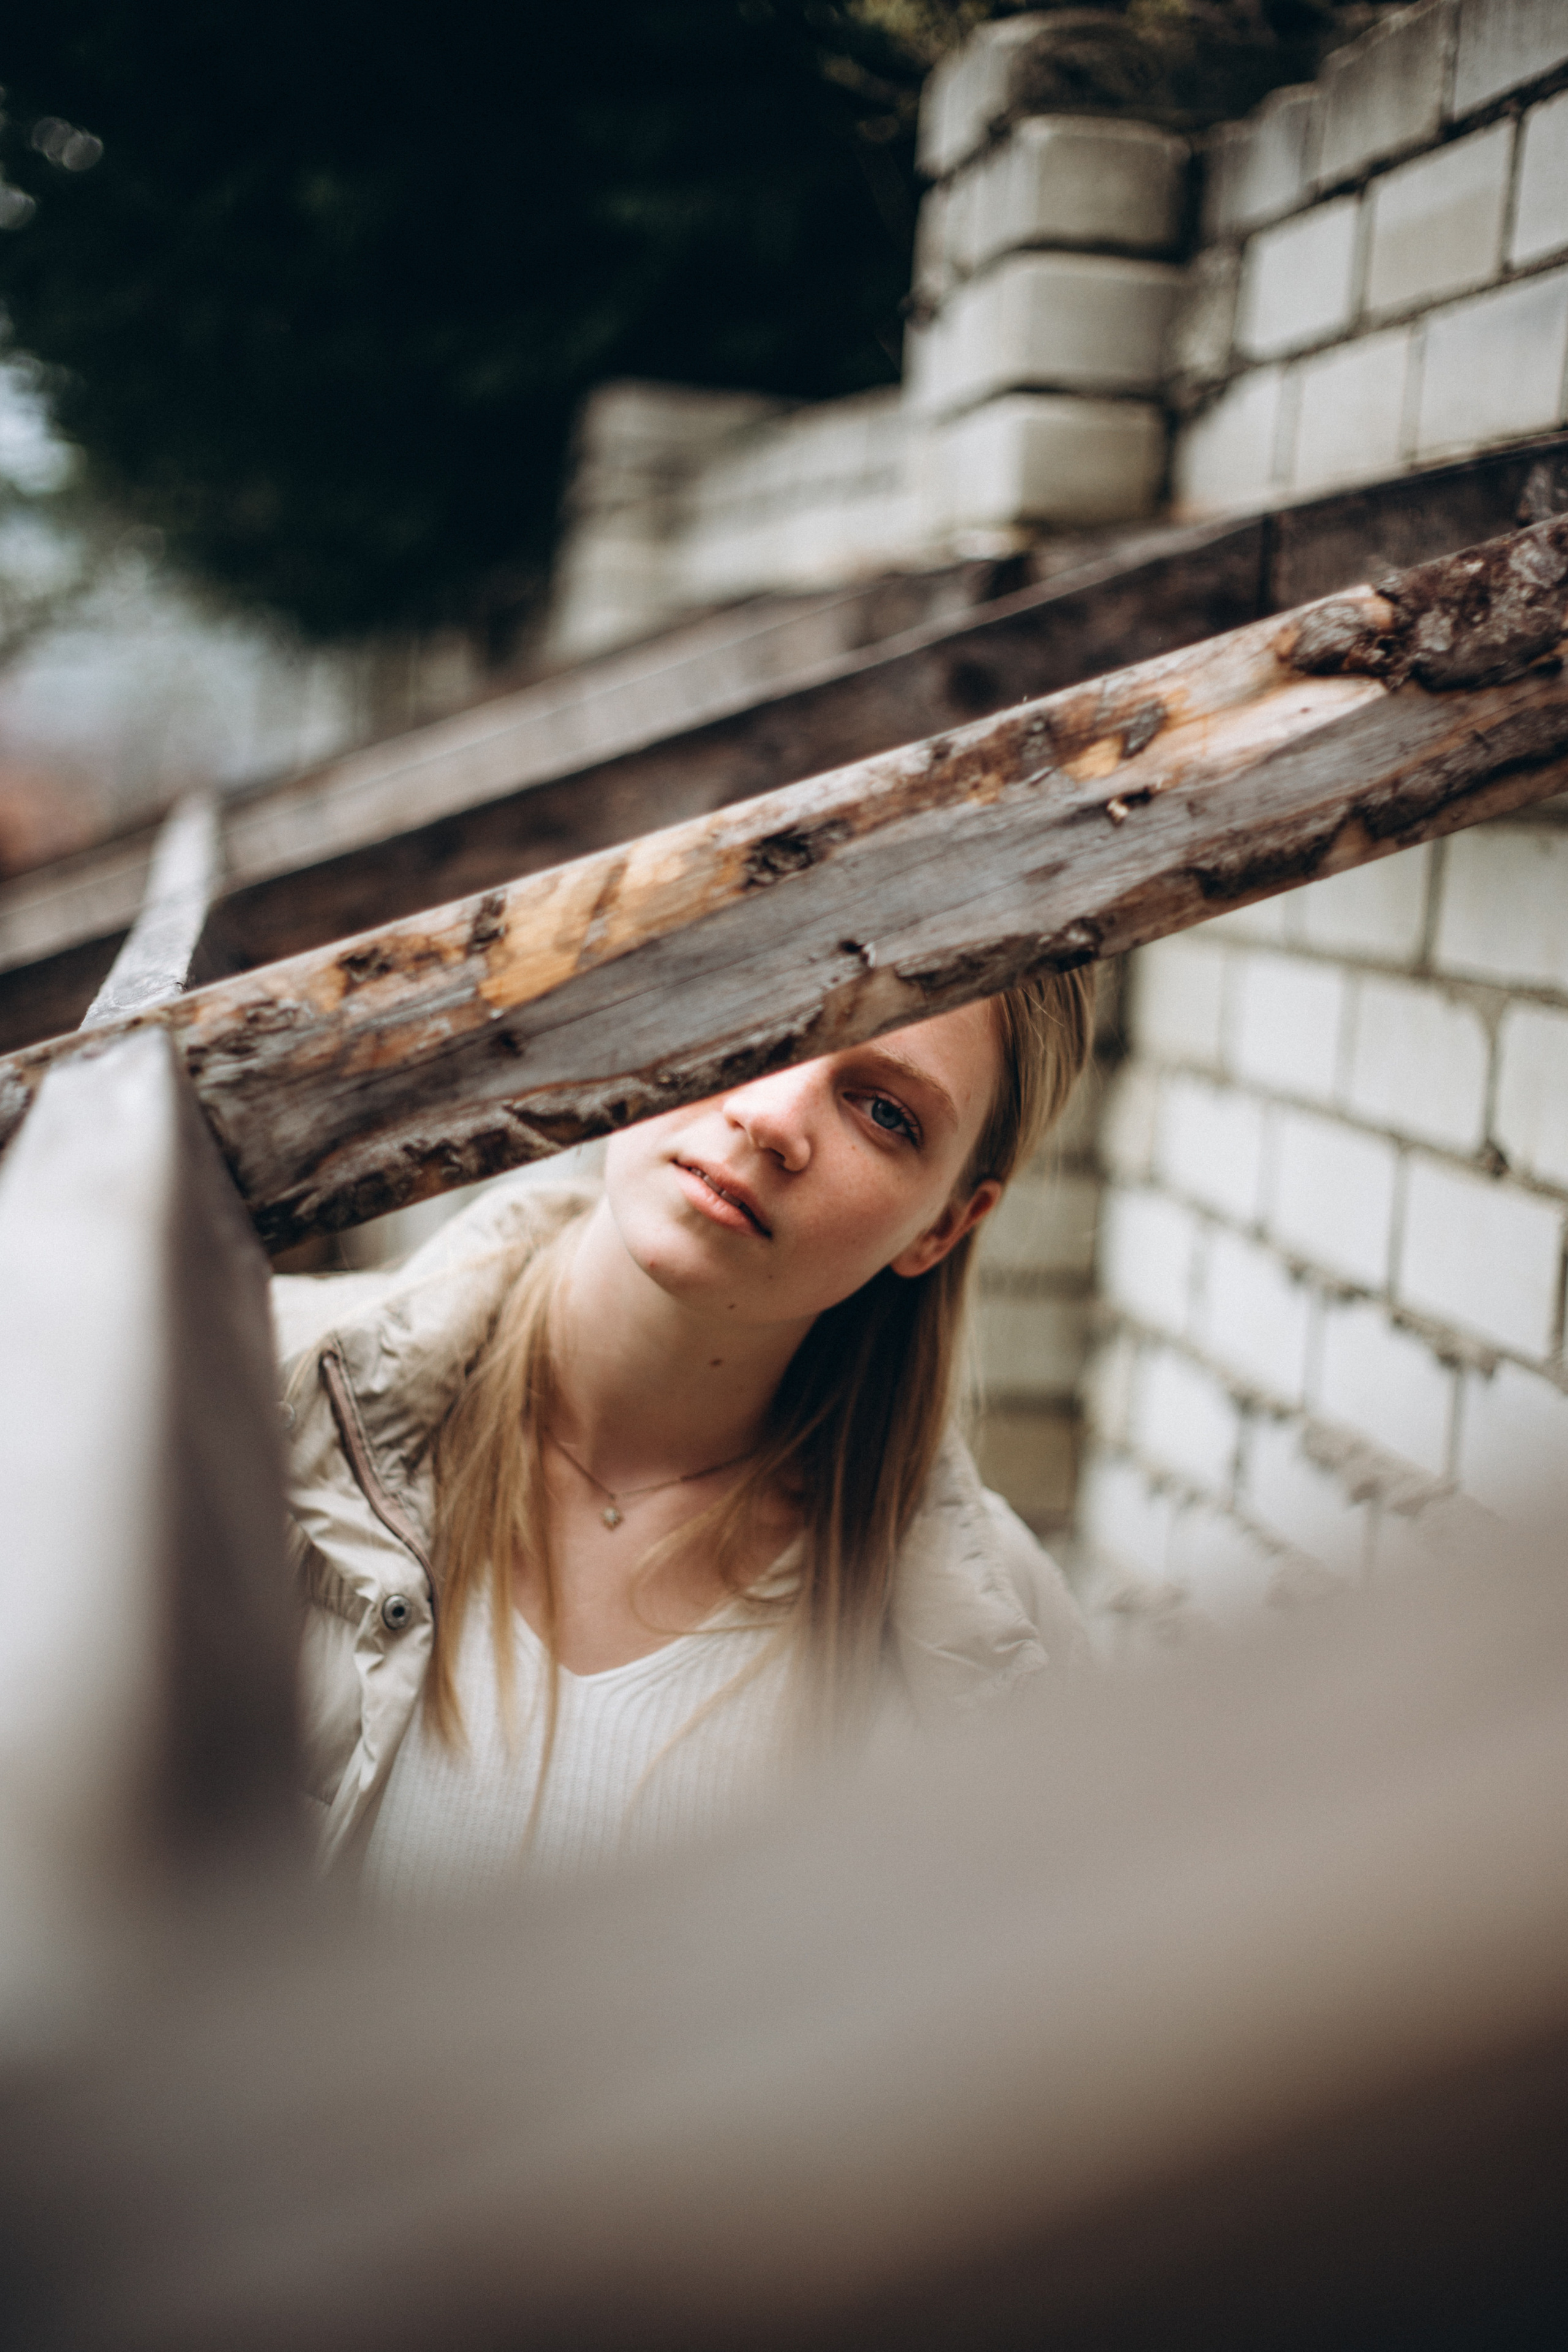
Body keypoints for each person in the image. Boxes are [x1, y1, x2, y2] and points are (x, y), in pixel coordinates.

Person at [274, 971, 1095, 1898]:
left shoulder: (1008, 1648)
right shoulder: (256, 1399)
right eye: (762, 1002)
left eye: (885, 1113)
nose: (773, 1118)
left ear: (942, 1227)